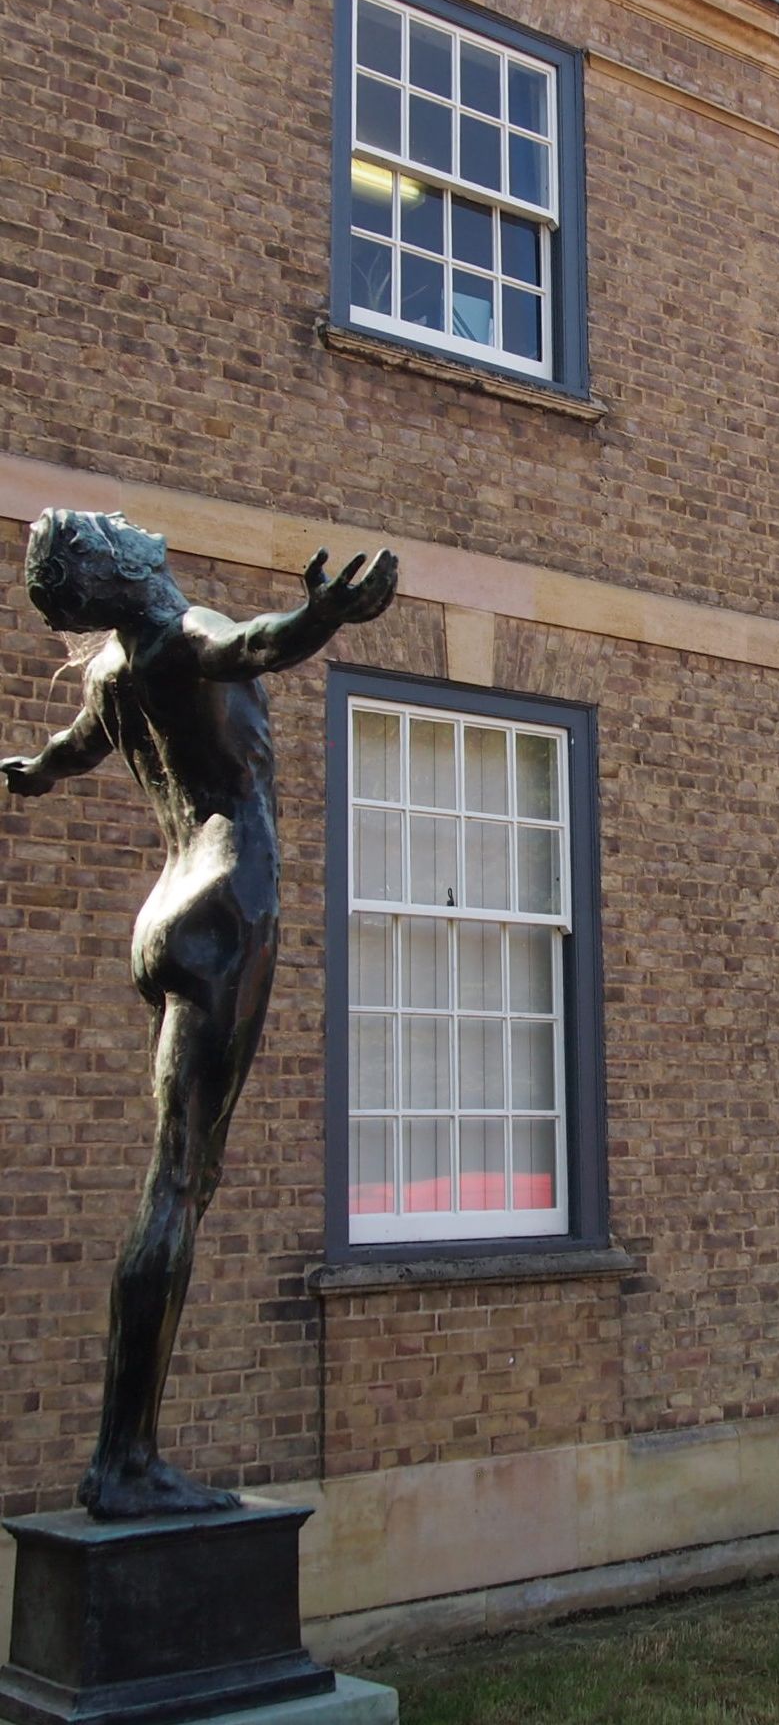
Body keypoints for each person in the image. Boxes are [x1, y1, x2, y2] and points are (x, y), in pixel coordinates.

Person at [2, 510, 396, 1518]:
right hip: (226, 906)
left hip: (166, 910)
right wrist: (321, 618)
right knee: (179, 1186)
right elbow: (252, 644)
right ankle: (123, 1461)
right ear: (115, 570)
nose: (131, 525)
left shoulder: (111, 676)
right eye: (106, 530)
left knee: (171, 1181)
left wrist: (29, 776)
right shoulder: (181, 637)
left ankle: (123, 1451)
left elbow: (67, 753)